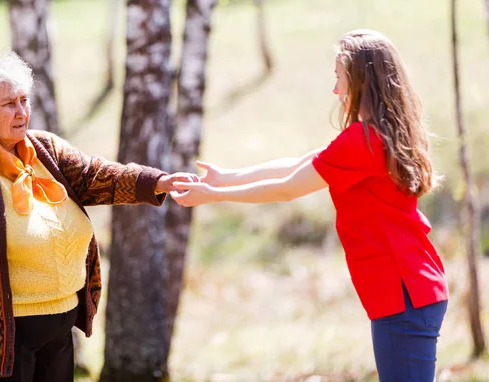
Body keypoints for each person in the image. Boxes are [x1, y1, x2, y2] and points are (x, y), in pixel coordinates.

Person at [171, 29, 448, 382]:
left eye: (340, 78)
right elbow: (300, 164)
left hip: (404, 293)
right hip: (409, 290)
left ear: (362, 80)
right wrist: (226, 178)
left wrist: (214, 196)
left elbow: (288, 188)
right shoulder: (376, 134)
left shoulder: (363, 140)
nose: (335, 90)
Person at [0, 51, 197, 381]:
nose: (21, 112)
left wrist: (157, 181)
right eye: (8, 104)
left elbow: (93, 175)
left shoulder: (44, 150)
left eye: (24, 100)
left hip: (58, 333)